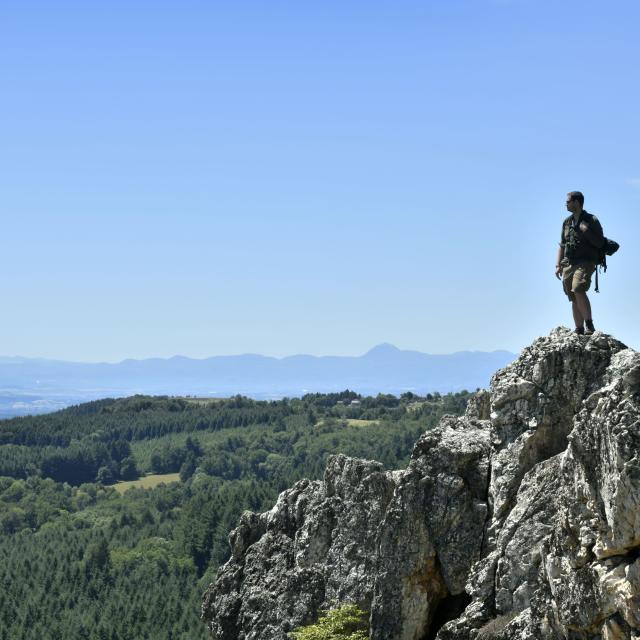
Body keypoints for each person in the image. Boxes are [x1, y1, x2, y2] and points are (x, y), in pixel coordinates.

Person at [555, 191, 604, 335]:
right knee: (572, 295)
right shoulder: (567, 222)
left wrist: (586, 230)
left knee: (578, 288)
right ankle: (579, 328)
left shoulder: (591, 220)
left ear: (576, 202)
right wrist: (558, 265)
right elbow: (562, 245)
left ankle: (589, 325)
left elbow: (600, 243)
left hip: (586, 262)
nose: (566, 204)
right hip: (569, 263)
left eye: (568, 201)